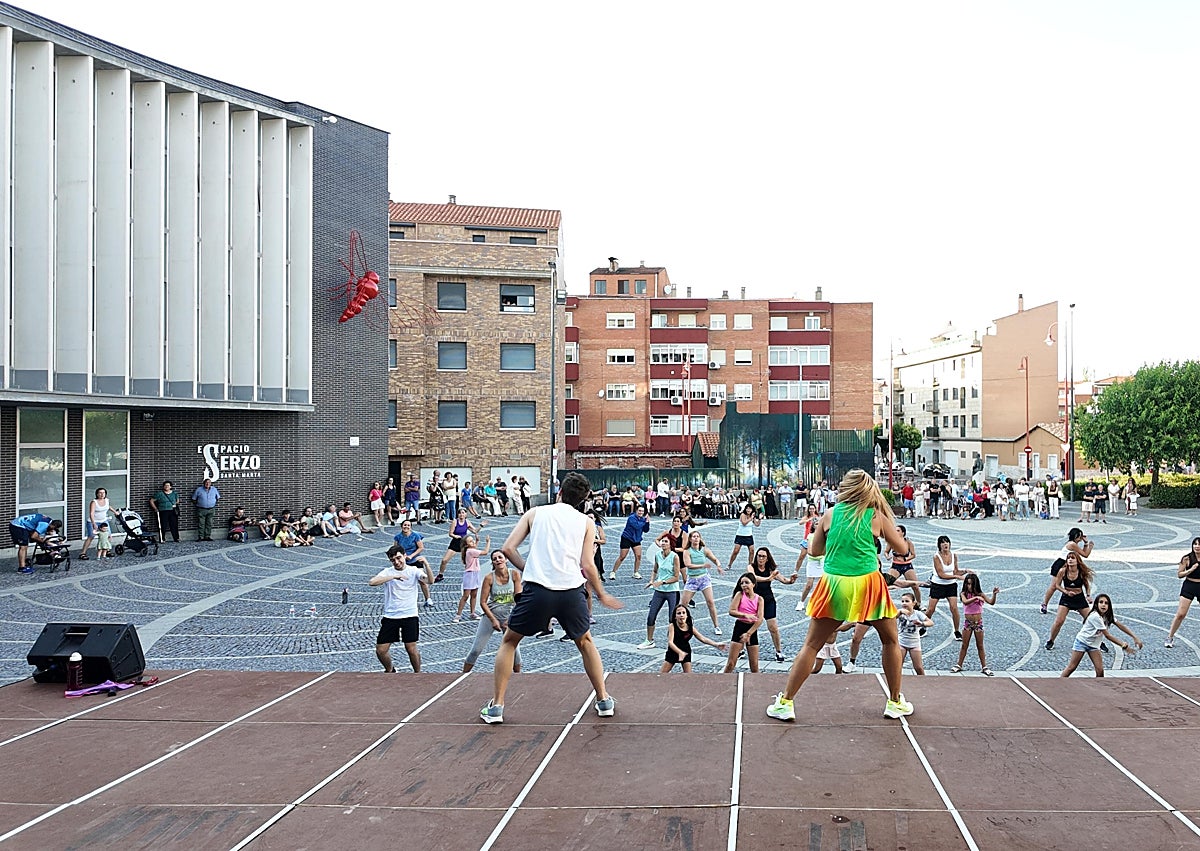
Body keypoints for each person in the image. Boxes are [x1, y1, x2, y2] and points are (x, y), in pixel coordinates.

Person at [768, 469, 913, 723]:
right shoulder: (875, 516)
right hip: (868, 583)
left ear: (845, 488)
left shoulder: (830, 514)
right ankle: (894, 701)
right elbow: (902, 549)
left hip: (834, 583)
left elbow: (814, 550)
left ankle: (785, 702)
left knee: (812, 645)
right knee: (890, 641)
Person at [479, 471, 623, 725]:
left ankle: (497, 707)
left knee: (509, 641)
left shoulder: (535, 513)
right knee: (586, 642)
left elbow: (508, 549)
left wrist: (528, 568)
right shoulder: (586, 522)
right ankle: (603, 700)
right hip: (571, 591)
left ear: (559, 492)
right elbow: (588, 565)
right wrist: (601, 594)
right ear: (583, 499)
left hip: (538, 590)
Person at [369, 545, 429, 672]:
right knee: (381, 650)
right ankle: (390, 670)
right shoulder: (388, 571)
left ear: (404, 555)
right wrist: (393, 577)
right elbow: (372, 582)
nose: (396, 562)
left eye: (398, 558)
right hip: (391, 616)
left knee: (411, 649)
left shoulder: (413, 570)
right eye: (393, 560)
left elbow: (430, 580)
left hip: (410, 615)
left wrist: (427, 565)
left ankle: (418, 674)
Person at [463, 551, 524, 673]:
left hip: (509, 616)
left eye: (500, 557)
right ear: (493, 562)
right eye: (495, 559)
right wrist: (493, 620)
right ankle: (462, 675)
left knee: (515, 651)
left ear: (506, 559)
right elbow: (483, 602)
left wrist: (511, 619)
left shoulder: (515, 574)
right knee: (476, 650)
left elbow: (519, 600)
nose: (498, 560)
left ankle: (519, 677)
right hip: (491, 615)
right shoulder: (489, 578)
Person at [1061, 595, 1142, 677]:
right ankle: (1058, 683)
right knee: (1072, 667)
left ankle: (1098, 688)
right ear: (1096, 604)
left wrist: (1134, 637)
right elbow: (1107, 635)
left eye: (1106, 603)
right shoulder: (1095, 616)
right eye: (1101, 602)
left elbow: (1120, 625)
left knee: (1100, 671)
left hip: (1094, 645)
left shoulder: (1107, 616)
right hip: (1082, 642)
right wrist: (1123, 645)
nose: (1103, 605)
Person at [751, 546, 798, 663]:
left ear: (767, 559)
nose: (760, 558)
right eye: (759, 556)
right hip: (754, 600)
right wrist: (768, 578)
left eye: (763, 556)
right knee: (749, 626)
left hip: (768, 600)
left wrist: (791, 581)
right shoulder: (751, 567)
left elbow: (783, 580)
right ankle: (742, 649)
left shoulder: (771, 570)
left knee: (773, 627)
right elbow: (754, 578)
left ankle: (778, 651)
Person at [638, 535, 683, 650]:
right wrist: (652, 581)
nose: (663, 543)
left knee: (672, 618)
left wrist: (662, 582)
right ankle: (649, 640)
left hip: (672, 590)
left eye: (665, 541)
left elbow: (676, 577)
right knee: (651, 616)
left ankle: (673, 642)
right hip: (659, 590)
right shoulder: (658, 555)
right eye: (662, 541)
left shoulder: (675, 557)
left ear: (671, 544)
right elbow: (655, 570)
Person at [949, 573, 999, 675]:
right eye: (968, 584)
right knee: (964, 645)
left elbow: (991, 602)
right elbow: (965, 602)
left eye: (971, 584)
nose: (969, 586)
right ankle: (959, 664)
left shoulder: (981, 594)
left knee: (980, 645)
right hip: (968, 623)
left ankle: (984, 666)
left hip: (978, 623)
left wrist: (994, 594)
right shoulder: (964, 594)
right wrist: (976, 598)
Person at [1044, 552, 1094, 650]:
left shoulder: (1081, 572)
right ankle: (1051, 640)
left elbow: (1087, 585)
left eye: (1073, 558)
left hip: (1079, 598)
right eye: (1068, 558)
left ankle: (1098, 642)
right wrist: (1066, 592)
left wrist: (1088, 595)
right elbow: (1057, 585)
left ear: (1077, 561)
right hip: (1067, 598)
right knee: (1059, 621)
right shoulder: (1062, 571)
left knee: (1091, 620)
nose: (1070, 560)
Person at [1040, 528, 1094, 614]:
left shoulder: (1073, 544)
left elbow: (1083, 554)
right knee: (1054, 586)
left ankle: (1077, 604)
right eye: (1080, 537)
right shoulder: (1072, 544)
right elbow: (1085, 554)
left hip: (1067, 564)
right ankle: (1044, 604)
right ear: (1076, 536)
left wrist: (1086, 543)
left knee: (1076, 583)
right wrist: (1089, 545)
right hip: (1061, 564)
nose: (1081, 539)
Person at [681, 530, 725, 634]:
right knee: (684, 604)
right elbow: (688, 564)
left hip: (704, 578)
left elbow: (714, 559)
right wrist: (703, 566)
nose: (696, 538)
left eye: (698, 536)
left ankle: (716, 626)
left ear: (700, 539)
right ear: (690, 539)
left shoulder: (704, 550)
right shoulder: (687, 551)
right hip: (692, 579)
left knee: (710, 602)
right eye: (694, 536)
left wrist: (718, 566)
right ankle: (681, 624)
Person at [926, 535, 971, 640]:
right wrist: (956, 576)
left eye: (947, 542)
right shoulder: (936, 556)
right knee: (930, 609)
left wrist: (965, 571)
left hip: (951, 585)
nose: (945, 544)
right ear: (939, 545)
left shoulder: (954, 555)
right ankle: (923, 628)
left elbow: (955, 571)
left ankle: (956, 631)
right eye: (942, 542)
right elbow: (941, 574)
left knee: (954, 608)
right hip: (938, 584)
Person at [660, 604, 725, 673]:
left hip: (686, 651)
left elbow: (702, 638)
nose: (681, 615)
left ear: (687, 615)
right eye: (679, 613)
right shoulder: (672, 626)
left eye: (683, 613)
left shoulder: (690, 627)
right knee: (661, 675)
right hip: (673, 651)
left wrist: (716, 644)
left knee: (688, 676)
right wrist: (679, 652)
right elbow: (670, 642)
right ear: (675, 617)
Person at [724, 572, 765, 673]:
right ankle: (722, 682)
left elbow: (760, 619)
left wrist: (749, 634)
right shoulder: (739, 595)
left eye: (746, 582)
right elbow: (732, 611)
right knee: (731, 663)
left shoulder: (759, 599)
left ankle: (756, 686)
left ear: (753, 584)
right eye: (742, 583)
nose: (744, 585)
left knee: (754, 665)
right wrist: (744, 615)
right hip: (740, 627)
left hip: (752, 629)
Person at [1164, 537, 1200, 648]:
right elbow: (1179, 574)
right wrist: (1190, 570)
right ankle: (1170, 637)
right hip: (1189, 585)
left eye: (1199, 544)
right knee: (1181, 614)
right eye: (1195, 544)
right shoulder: (1187, 558)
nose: (1197, 546)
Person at [391, 519, 435, 607]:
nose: (406, 527)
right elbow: (395, 549)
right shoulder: (398, 537)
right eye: (404, 525)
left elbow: (421, 547)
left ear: (410, 527)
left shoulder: (415, 536)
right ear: (401, 526)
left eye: (408, 525)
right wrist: (402, 557)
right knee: (403, 581)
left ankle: (428, 599)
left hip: (415, 560)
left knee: (422, 580)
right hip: (404, 562)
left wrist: (411, 556)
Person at [608, 504, 651, 580]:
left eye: (642, 511)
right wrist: (645, 521)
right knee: (622, 556)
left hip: (636, 539)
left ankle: (636, 572)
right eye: (639, 511)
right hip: (627, 538)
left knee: (638, 556)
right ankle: (613, 572)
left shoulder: (643, 519)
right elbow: (637, 526)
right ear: (636, 511)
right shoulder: (631, 518)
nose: (641, 512)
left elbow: (646, 530)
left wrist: (647, 522)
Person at [453, 533, 489, 622]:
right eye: (470, 541)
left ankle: (472, 613)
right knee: (466, 595)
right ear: (466, 544)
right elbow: (485, 552)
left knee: (474, 594)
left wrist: (477, 540)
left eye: (472, 540)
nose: (472, 542)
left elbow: (475, 547)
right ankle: (458, 615)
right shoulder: (471, 551)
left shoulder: (470, 550)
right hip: (470, 574)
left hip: (475, 573)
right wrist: (488, 542)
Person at [896, 593, 934, 675]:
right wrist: (900, 611)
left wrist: (921, 623)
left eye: (907, 601)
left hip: (914, 643)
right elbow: (892, 616)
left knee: (918, 667)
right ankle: (895, 683)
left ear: (913, 603)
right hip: (901, 642)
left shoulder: (917, 613)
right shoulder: (900, 613)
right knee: (897, 666)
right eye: (902, 601)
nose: (904, 603)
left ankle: (923, 682)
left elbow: (930, 622)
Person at [884, 525, 921, 608]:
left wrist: (906, 559)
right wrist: (887, 556)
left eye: (898, 531)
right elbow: (886, 551)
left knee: (915, 586)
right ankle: (885, 604)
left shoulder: (908, 542)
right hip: (895, 566)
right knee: (887, 584)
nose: (895, 532)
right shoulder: (892, 542)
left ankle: (918, 603)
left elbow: (913, 554)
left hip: (907, 566)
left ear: (903, 533)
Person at [438, 509, 480, 582]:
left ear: (465, 514)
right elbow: (450, 533)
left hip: (464, 542)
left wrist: (481, 526)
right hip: (456, 542)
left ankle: (472, 575)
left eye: (463, 513)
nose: (461, 515)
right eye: (460, 513)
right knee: (444, 560)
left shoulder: (467, 522)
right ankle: (440, 575)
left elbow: (475, 531)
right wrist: (455, 536)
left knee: (469, 561)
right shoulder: (455, 522)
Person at [79, 486, 113, 560]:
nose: (102, 494)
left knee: (109, 535)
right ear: (97, 494)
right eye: (100, 493)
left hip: (104, 520)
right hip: (93, 521)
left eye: (103, 493)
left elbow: (108, 507)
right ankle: (83, 553)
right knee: (91, 536)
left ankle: (106, 550)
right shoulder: (94, 502)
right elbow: (91, 513)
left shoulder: (106, 500)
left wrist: (115, 512)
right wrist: (94, 523)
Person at [726, 504, 762, 571]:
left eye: (750, 509)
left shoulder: (752, 516)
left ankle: (750, 565)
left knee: (752, 551)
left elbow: (757, 524)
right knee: (736, 551)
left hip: (749, 535)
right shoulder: (743, 515)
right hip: (740, 535)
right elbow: (744, 523)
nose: (748, 510)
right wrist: (751, 518)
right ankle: (729, 564)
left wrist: (759, 519)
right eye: (747, 508)